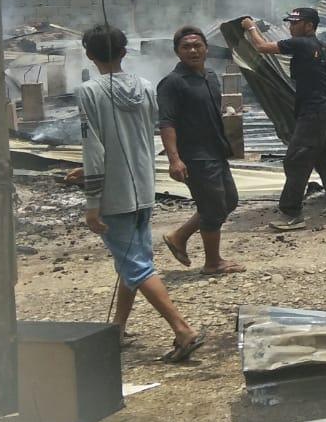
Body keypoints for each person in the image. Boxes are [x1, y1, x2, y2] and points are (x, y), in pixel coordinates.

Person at [77, 24, 203, 361]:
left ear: (89, 55)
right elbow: (141, 133)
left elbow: (95, 149)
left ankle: (182, 329)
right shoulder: (145, 87)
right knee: (132, 260)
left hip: (114, 194)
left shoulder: (89, 91)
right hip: (144, 187)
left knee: (137, 265)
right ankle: (118, 327)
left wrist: (92, 203)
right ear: (124, 52)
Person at [240, 8, 326, 231]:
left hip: (314, 113)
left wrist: (250, 27)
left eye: (295, 23)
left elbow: (262, 47)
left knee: (296, 160)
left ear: (309, 26)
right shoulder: (324, 49)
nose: (291, 27)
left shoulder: (302, 44)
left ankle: (291, 213)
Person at [156, 26, 244, 274]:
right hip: (194, 157)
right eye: (186, 47)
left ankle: (179, 237)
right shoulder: (172, 83)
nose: (193, 50)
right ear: (177, 52)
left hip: (216, 151)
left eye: (197, 45)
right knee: (214, 207)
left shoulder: (210, 77)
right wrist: (174, 159)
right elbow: (166, 122)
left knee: (228, 201)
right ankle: (213, 262)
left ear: (206, 48)